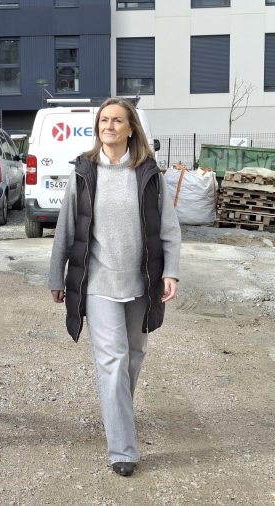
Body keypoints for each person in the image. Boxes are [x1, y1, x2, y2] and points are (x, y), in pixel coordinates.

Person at [49, 97, 181, 477]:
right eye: (104, 120)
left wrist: (171, 271)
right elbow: (66, 228)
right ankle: (123, 449)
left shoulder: (148, 173)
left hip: (141, 281)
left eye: (117, 120)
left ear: (130, 128)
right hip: (98, 282)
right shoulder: (84, 172)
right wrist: (56, 276)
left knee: (134, 355)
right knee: (113, 360)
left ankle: (116, 410)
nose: (109, 126)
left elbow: (169, 228)